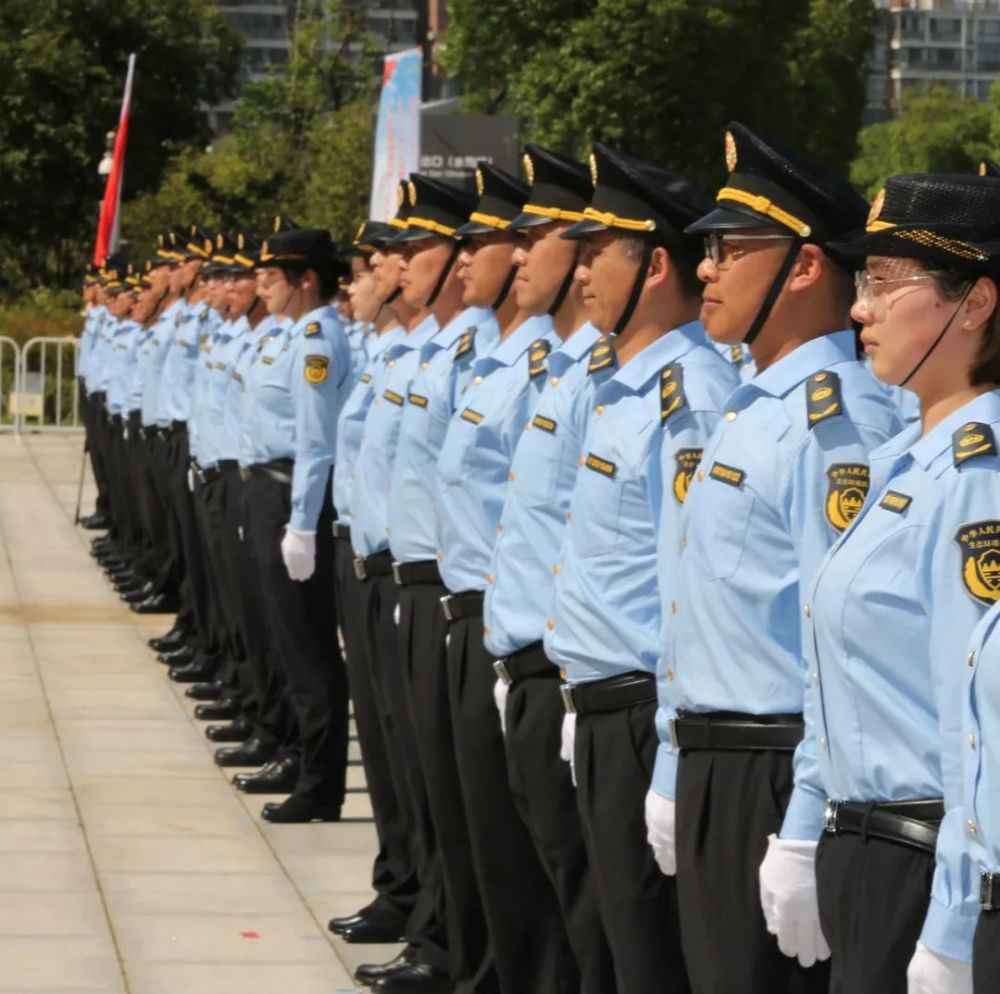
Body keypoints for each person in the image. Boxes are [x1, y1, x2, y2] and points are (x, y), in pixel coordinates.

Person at [656, 122, 902, 994]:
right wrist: (669, 761)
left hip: (776, 770)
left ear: (802, 267)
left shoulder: (836, 421)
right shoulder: (753, 403)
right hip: (717, 759)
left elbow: (835, 646)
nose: (706, 269)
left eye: (728, 249)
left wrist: (800, 828)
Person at [792, 172, 1000, 994]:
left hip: (926, 863)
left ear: (974, 303)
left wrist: (951, 922)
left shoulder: (977, 477)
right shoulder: (900, 463)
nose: (858, 308)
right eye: (861, 281)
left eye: (884, 282)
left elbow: (976, 715)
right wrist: (807, 828)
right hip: (867, 852)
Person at [544, 144, 733, 994]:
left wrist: (662, 753)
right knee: (607, 940)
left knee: (644, 952)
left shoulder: (686, 394)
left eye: (596, 255)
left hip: (640, 715)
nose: (578, 273)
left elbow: (683, 589)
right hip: (598, 703)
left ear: (655, 264)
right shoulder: (621, 385)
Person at [434, 161, 576, 994]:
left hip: (547, 656)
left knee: (554, 896)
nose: (518, 258)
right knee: (479, 837)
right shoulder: (526, 361)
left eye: (533, 239)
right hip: (487, 626)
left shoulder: (580, 374)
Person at [483, 143, 617, 994]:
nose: (518, 253)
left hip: (579, 680)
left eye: (543, 236)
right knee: (540, 892)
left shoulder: (615, 380)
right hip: (526, 660)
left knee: (591, 920)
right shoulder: (565, 369)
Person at [348, 174, 479, 994]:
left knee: (447, 788)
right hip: (396, 570)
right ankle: (420, 908)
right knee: (406, 760)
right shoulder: (410, 345)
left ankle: (440, 931)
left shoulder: (470, 353)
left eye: (413, 249)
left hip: (444, 587)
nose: (395, 264)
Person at [240, 226, 351, 823]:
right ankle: (299, 757)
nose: (261, 283)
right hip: (268, 492)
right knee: (285, 638)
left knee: (309, 649)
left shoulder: (316, 343)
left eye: (273, 275)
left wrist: (302, 524)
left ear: (306, 279)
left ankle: (320, 782)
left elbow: (315, 443)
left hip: (293, 498)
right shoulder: (287, 335)